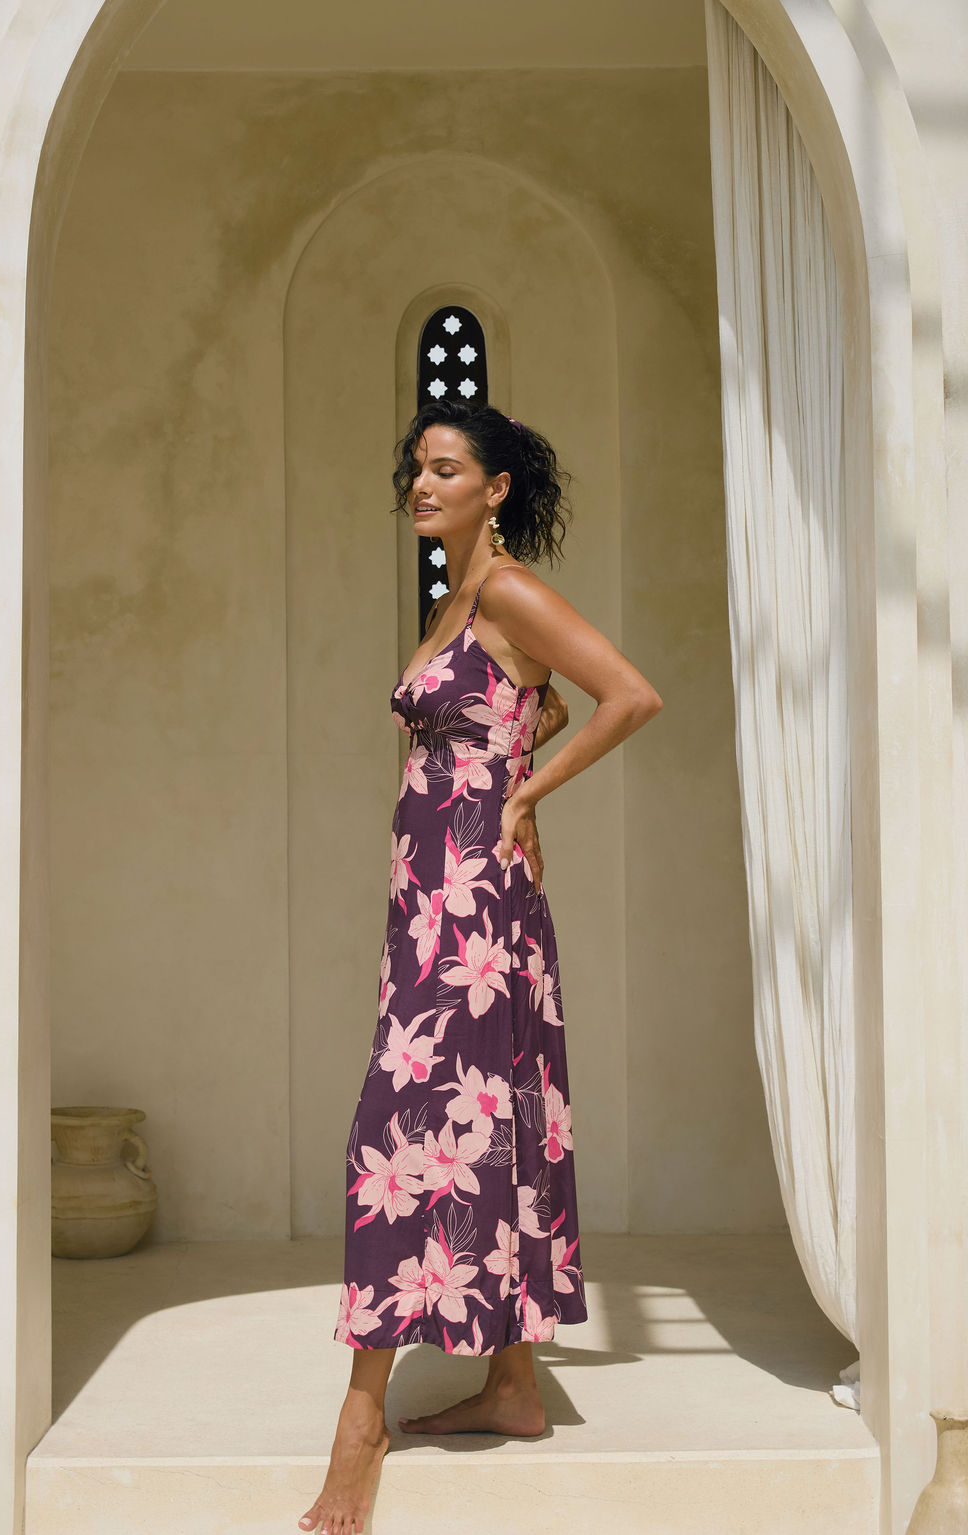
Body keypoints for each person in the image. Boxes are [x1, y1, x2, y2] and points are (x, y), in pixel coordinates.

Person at [299, 399, 663, 1535]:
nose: (422, 483)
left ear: (494, 488)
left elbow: (630, 693)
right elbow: (518, 704)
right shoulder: (458, 596)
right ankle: (511, 1384)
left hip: (471, 911)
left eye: (446, 469)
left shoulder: (504, 589)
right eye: (416, 466)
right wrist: (516, 748)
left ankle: (356, 1435)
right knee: (486, 1114)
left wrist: (524, 790)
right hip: (435, 899)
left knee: (405, 1130)